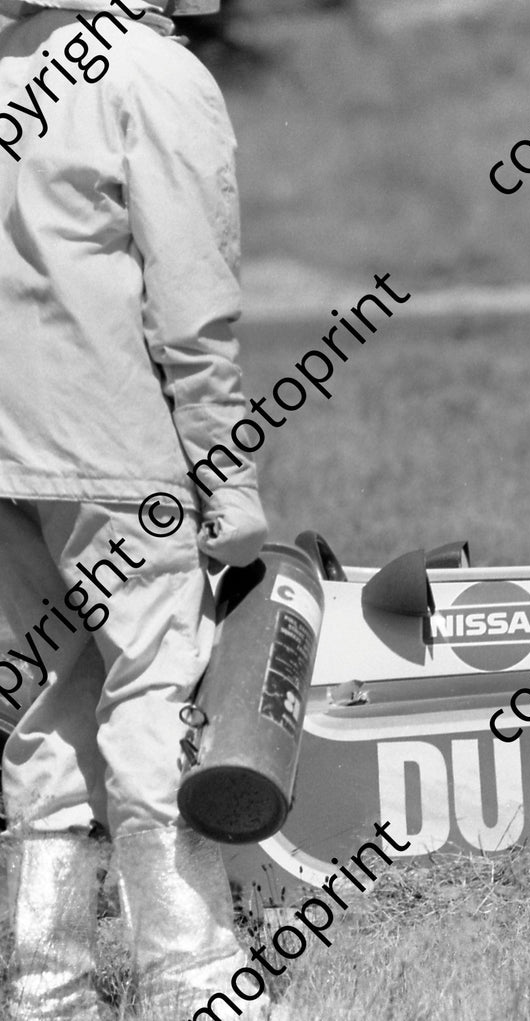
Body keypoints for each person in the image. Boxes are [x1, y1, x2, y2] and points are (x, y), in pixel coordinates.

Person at [0, 1, 277, 1016]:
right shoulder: (152, 74)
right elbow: (191, 303)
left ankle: (45, 986)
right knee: (156, 694)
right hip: (115, 445)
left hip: (10, 453)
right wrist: (228, 474)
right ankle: (195, 980)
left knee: (45, 710)